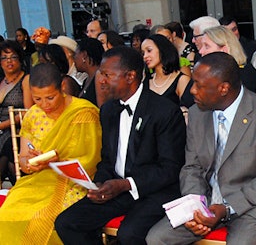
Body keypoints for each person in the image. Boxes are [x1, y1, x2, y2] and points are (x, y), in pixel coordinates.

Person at [146, 52, 256, 245]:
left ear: (223, 88)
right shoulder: (197, 114)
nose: (192, 91)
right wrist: (196, 207)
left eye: (199, 85)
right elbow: (192, 167)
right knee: (156, 238)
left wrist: (226, 208)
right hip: (208, 200)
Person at [55, 46, 186, 245]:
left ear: (131, 76)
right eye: (101, 74)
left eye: (107, 74)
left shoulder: (165, 111)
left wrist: (126, 184)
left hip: (154, 190)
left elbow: (170, 169)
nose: (101, 80)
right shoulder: (108, 110)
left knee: (129, 234)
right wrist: (99, 185)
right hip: (117, 188)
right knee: (66, 223)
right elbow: (108, 159)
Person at [0, 63, 102, 244]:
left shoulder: (83, 113)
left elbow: (90, 160)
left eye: (50, 97)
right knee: (6, 215)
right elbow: (23, 159)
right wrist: (28, 162)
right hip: (35, 181)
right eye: (37, 99)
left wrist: (58, 161)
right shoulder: (33, 115)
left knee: (40, 219)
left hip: (71, 183)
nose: (44, 104)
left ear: (62, 88)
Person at [0, 40, 34, 185]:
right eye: (4, 58)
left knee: (8, 150)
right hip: (2, 130)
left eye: (13, 57)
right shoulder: (1, 82)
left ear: (20, 59)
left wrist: (3, 125)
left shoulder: (25, 79)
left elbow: (27, 112)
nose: (9, 61)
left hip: (18, 129)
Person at [198, 26, 256, 93]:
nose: (200, 51)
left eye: (207, 46)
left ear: (224, 50)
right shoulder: (202, 74)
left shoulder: (245, 75)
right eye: (201, 46)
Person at [141, 34, 193, 108]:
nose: (145, 56)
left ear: (162, 49)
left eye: (149, 50)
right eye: (143, 53)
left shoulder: (181, 80)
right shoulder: (146, 81)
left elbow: (190, 111)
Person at [75, 38, 105, 107]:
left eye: (75, 55)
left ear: (84, 55)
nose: (74, 59)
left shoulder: (101, 79)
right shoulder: (86, 80)